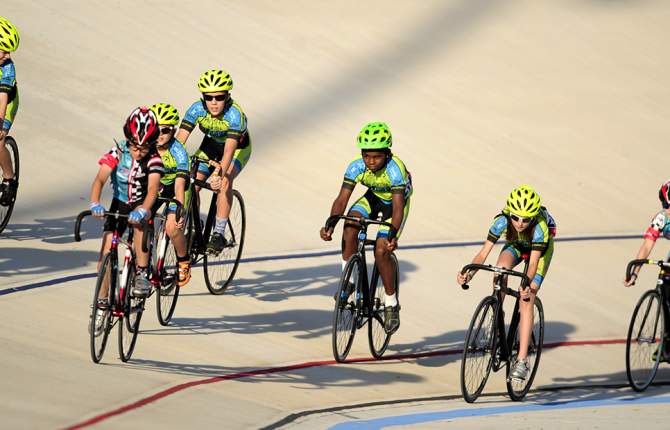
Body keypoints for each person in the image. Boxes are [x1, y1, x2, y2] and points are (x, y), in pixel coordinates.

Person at [320, 122, 412, 334]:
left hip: (395, 204)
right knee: (350, 224)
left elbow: (398, 209)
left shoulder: (395, 170)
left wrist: (392, 235)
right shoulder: (356, 166)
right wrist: (330, 223)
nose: (370, 161)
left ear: (387, 154)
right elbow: (342, 199)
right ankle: (348, 281)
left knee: (381, 250)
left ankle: (391, 303)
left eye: (376, 157)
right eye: (366, 155)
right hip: (374, 198)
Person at [456, 185, 556, 380]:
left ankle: (522, 361)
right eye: (516, 217)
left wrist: (526, 286)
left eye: (526, 219)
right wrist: (469, 274)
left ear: (533, 217)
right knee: (500, 269)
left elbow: (533, 262)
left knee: (526, 299)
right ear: (509, 213)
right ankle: (497, 313)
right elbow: (483, 253)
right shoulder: (501, 221)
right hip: (516, 246)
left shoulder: (540, 229)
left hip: (540, 253)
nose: (519, 223)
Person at [90, 107, 164, 299]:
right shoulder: (118, 151)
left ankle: (141, 272)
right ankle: (102, 301)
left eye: (144, 148)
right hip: (119, 202)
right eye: (134, 147)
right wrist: (95, 202)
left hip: (142, 202)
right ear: (128, 141)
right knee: (105, 254)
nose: (139, 152)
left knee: (140, 226)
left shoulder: (155, 159)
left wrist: (144, 210)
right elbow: (100, 180)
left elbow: (153, 190)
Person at [175, 68, 251, 254]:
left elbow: (228, 151)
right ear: (203, 98)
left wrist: (219, 173)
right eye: (209, 98)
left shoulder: (234, 114)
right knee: (191, 183)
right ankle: (195, 224)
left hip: (236, 149)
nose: (214, 102)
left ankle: (219, 233)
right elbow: (179, 142)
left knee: (224, 181)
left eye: (219, 97)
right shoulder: (196, 109)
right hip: (210, 146)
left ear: (227, 96)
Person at [624, 180, 670, 361]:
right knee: (666, 288)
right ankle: (667, 342)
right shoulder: (662, 219)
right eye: (666, 205)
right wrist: (635, 272)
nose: (667, 210)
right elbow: (646, 246)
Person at [150, 103, 192, 287]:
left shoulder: (178, 153)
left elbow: (180, 186)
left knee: (172, 227)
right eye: (155, 129)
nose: (159, 135)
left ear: (173, 131)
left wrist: (179, 210)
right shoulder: (147, 146)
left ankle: (183, 261)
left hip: (177, 186)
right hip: (157, 185)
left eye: (164, 130)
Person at [0, 16, 20, 207]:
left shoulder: (7, 67)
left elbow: (3, 97)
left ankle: (9, 179)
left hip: (6, 103)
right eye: (4, 50)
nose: (7, 55)